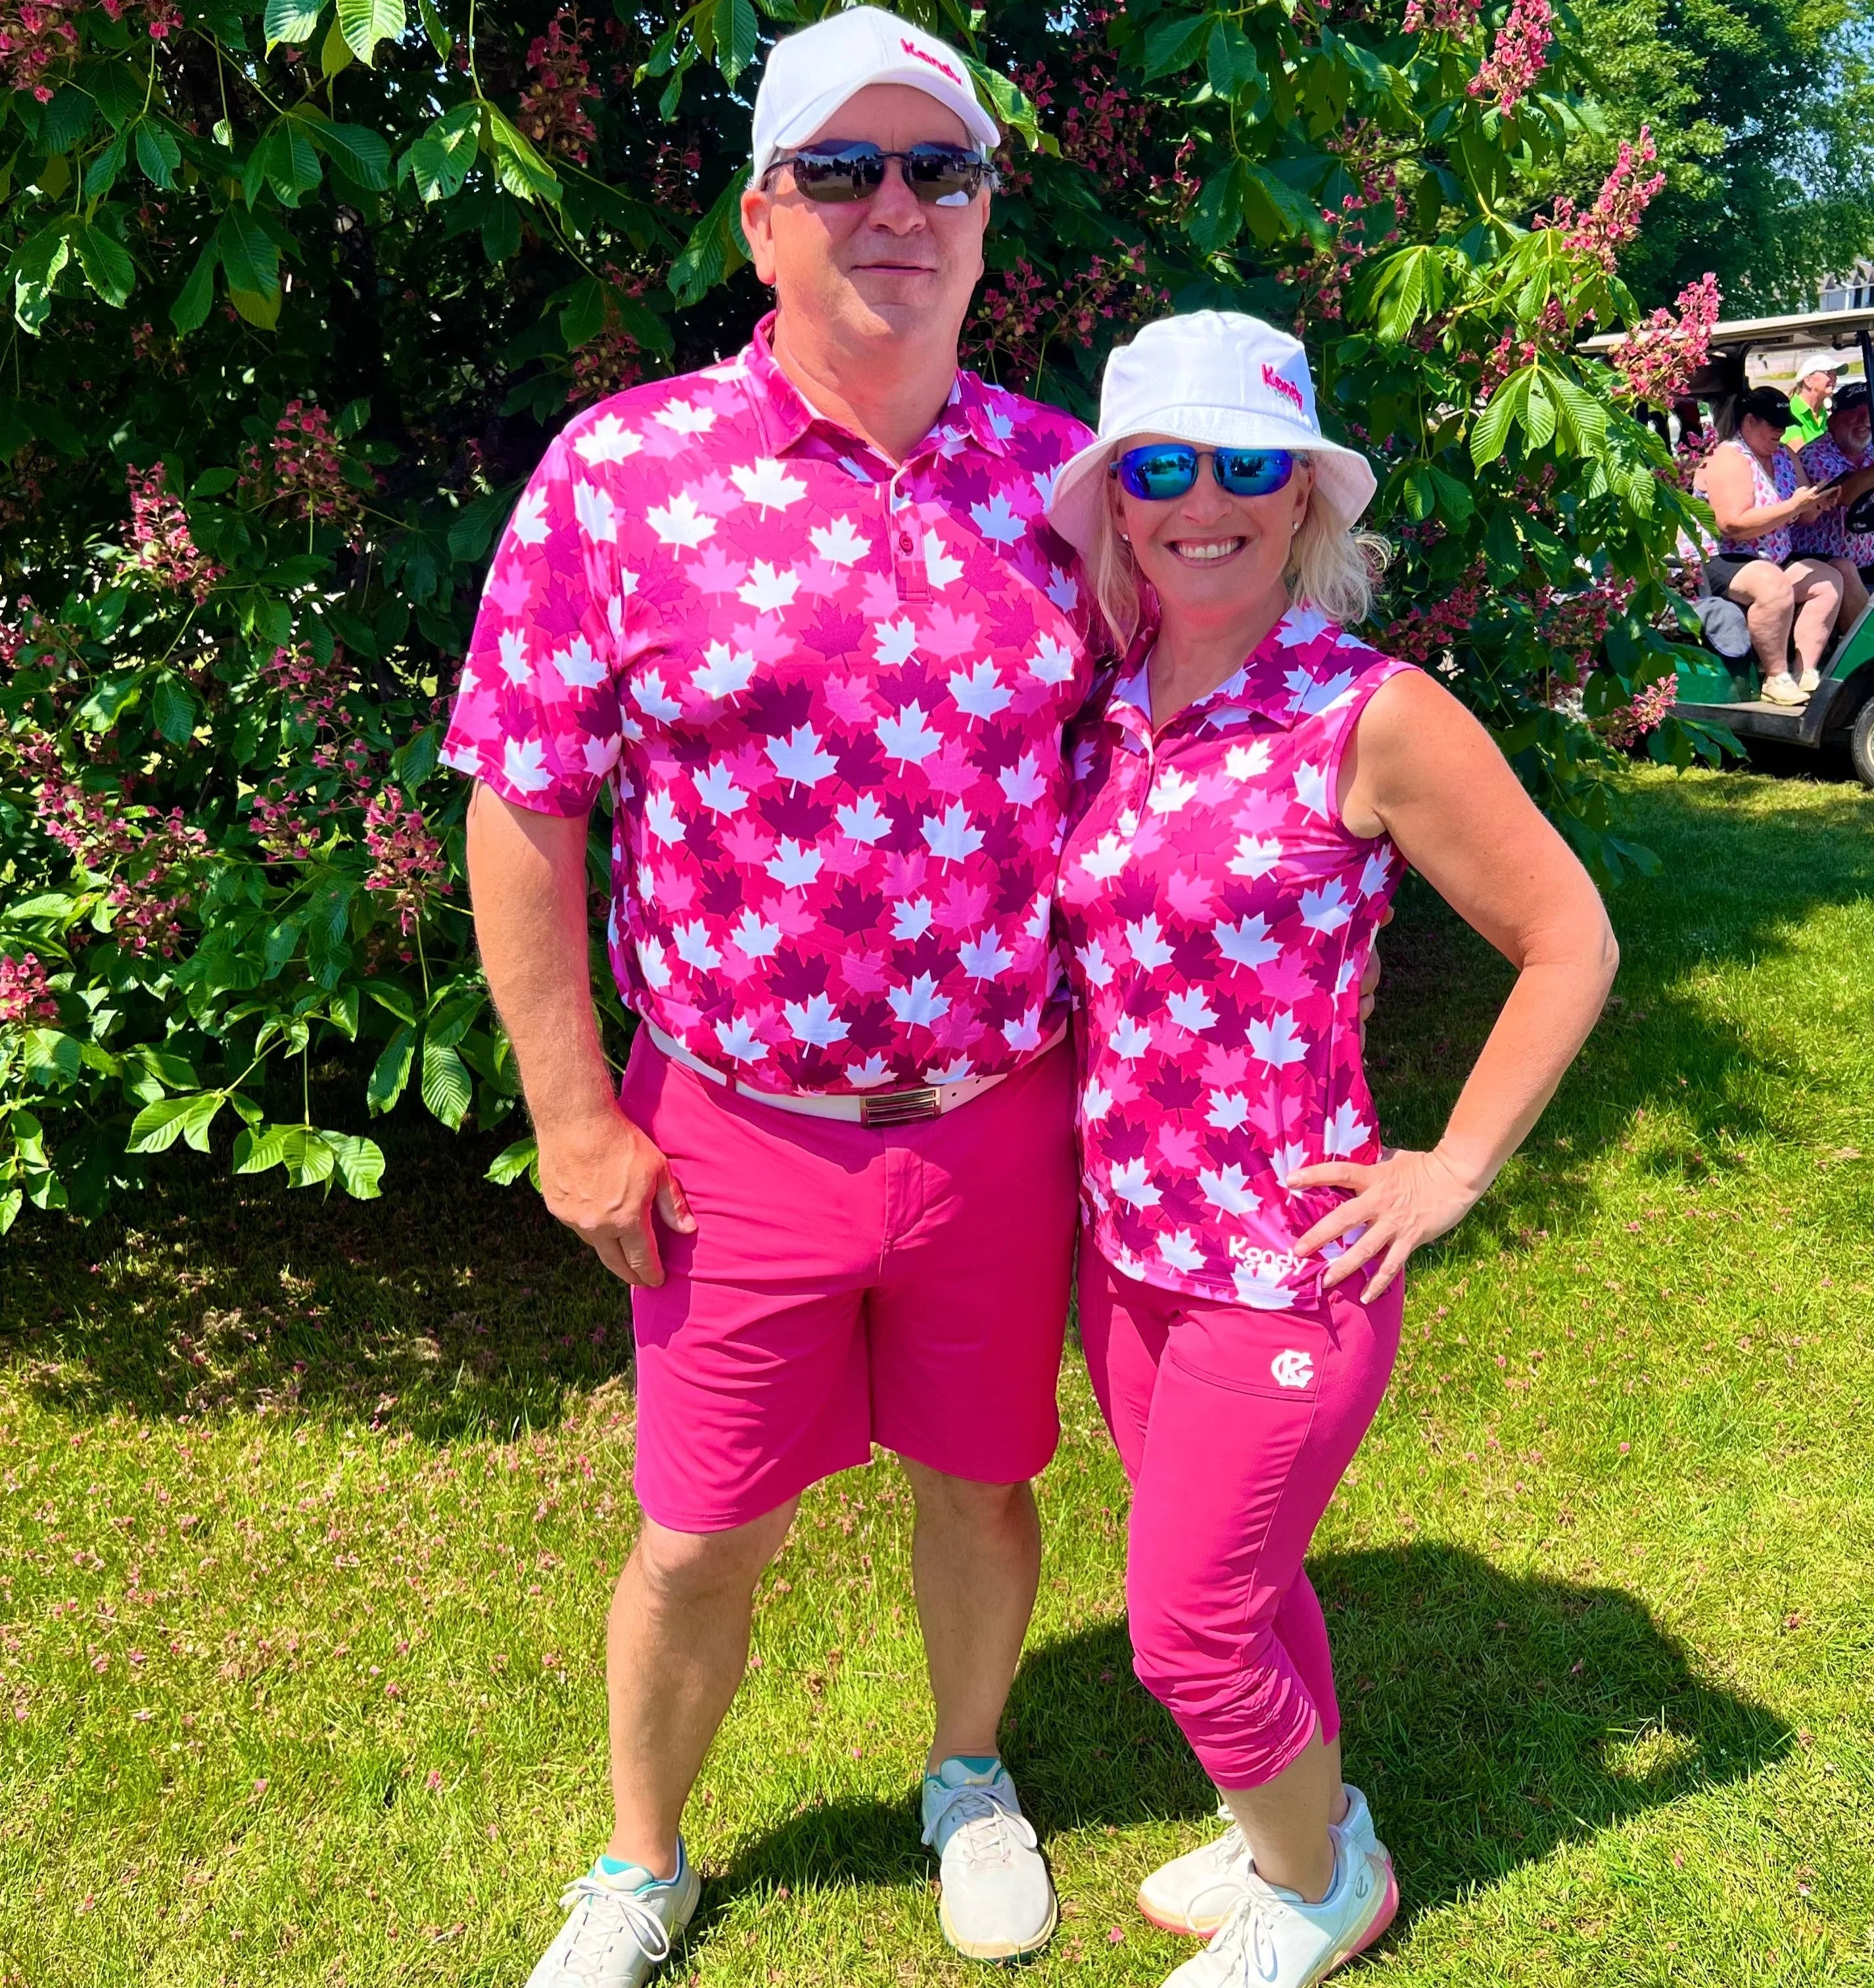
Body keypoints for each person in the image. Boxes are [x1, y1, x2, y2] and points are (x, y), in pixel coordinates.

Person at [446, 11, 1101, 1980]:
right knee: (701, 1531)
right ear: (763, 218)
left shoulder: (1075, 488)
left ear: (987, 222)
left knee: (986, 1488)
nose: (896, 207)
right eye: (844, 169)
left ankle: (969, 1773)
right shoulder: (622, 475)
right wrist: (574, 1113)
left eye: (941, 171)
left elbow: (1185, 770)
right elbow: (523, 795)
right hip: (733, 1134)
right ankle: (642, 1863)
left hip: (999, 1119)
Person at [1046, 313, 1619, 1988]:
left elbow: (1569, 941)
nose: (1201, 500)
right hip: (1131, 1259)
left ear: (1305, 501)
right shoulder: (1109, 711)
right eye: (1162, 465)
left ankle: (1321, 1896)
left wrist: (1454, 1170)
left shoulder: (1371, 715)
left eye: (1249, 465)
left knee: (1188, 1630)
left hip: (1288, 1272)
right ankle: (1301, 1823)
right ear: (1118, 499)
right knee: (1248, 1577)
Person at [1700, 386, 1845, 707]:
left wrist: (1816, 504)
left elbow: (1801, 516)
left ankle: (1804, 670)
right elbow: (1733, 525)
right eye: (1774, 424)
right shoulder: (1730, 457)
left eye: (1785, 425)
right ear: (1749, 421)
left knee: (1829, 580)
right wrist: (1793, 507)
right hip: (1727, 558)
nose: (1782, 431)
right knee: (1773, 584)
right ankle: (1775, 677)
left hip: (1772, 558)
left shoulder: (1784, 456)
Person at [1792, 380, 1874, 614]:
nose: (1865, 419)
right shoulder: (1814, 455)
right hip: (1819, 558)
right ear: (1833, 419)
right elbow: (1846, 495)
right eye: (1855, 411)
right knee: (1845, 570)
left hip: (1869, 557)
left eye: (1871, 411)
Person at [1787, 350, 1844, 446]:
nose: (1835, 378)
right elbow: (1798, 455)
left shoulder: (1823, 413)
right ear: (1808, 381)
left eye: (1835, 374)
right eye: (1829, 373)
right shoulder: (1791, 412)